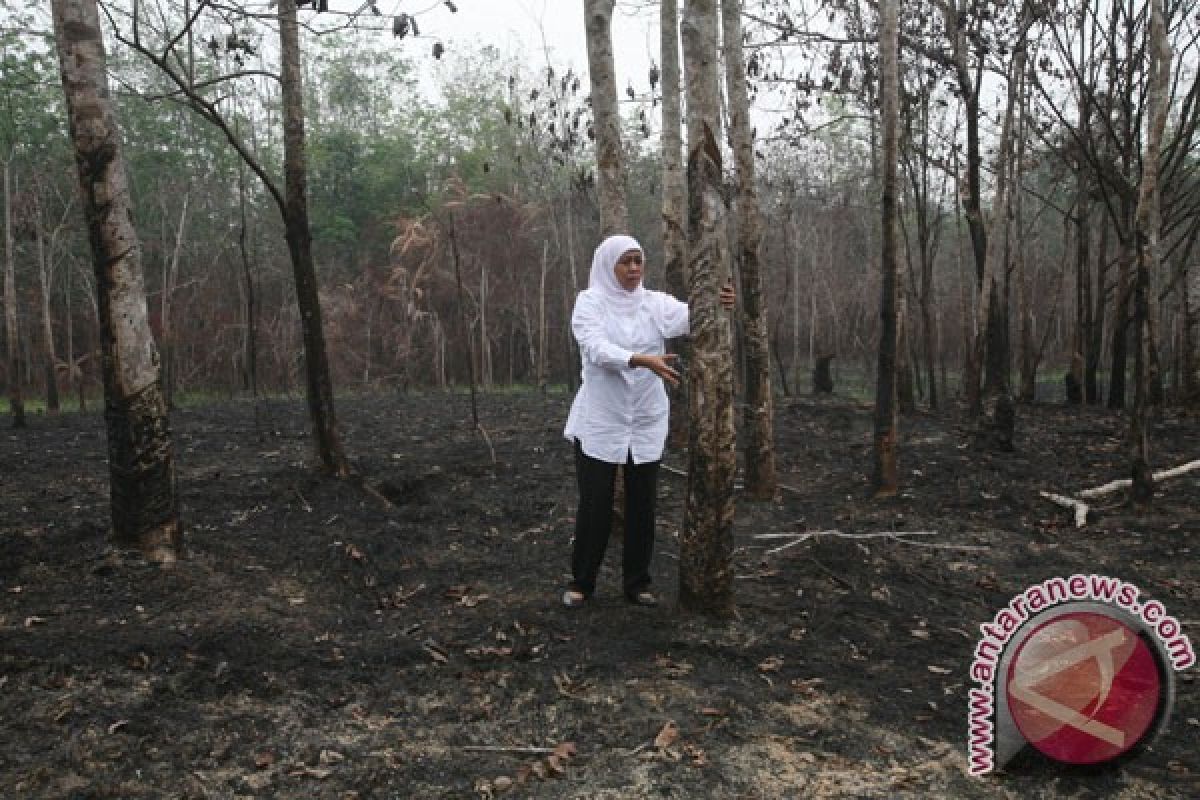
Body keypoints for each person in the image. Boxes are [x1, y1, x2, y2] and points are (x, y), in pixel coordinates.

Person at [562, 234, 734, 608]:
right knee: (597, 503)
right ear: (609, 265)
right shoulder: (589, 303)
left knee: (644, 503)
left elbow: (693, 316)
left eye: (639, 261)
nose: (634, 269)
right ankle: (582, 582)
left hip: (644, 417)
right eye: (626, 262)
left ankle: (637, 582)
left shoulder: (654, 304)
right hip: (601, 418)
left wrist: (719, 302)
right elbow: (595, 349)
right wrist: (642, 359)